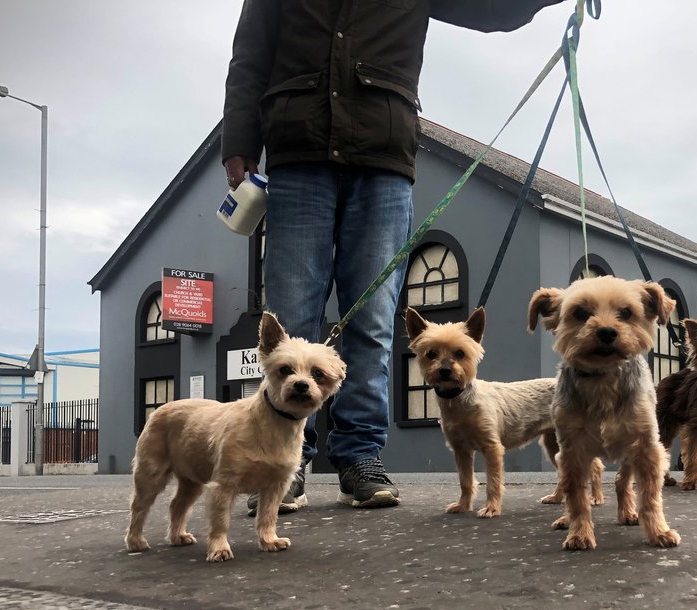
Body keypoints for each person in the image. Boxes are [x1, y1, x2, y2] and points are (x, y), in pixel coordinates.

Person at [222, 0, 567, 513]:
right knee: (291, 319)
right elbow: (248, 55)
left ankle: (360, 456)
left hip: (383, 155)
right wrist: (239, 140)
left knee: (375, 320)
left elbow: (492, 8)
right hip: (297, 150)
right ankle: (283, 463)